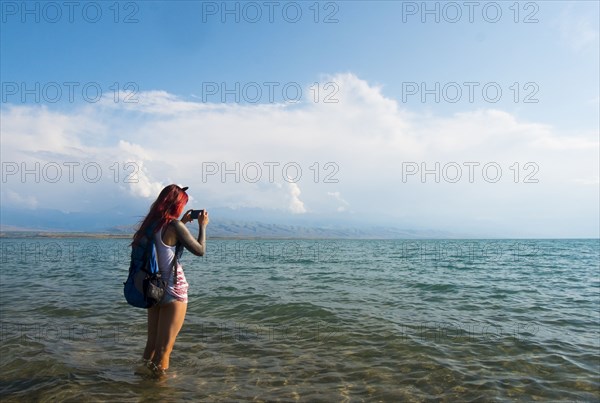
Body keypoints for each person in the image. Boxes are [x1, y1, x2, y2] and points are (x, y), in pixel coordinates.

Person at [131, 184, 209, 378]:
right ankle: (160, 392)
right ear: (177, 204)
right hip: (174, 291)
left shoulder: (150, 226)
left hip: (153, 289)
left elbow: (167, 248)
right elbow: (200, 250)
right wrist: (202, 226)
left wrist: (182, 222)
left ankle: (141, 382)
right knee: (165, 350)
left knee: (152, 345)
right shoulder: (174, 226)